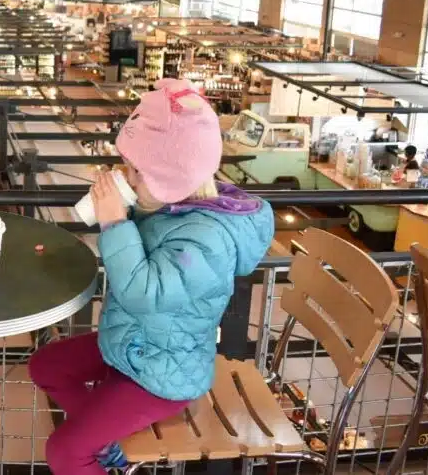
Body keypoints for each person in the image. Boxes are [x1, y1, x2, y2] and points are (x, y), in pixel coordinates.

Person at [28, 78, 273, 475]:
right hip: (134, 345)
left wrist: (113, 224)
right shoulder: (170, 208)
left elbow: (145, 292)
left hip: (163, 374)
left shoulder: (207, 238)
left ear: (169, 176)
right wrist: (121, 210)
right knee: (46, 367)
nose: (128, 175)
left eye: (136, 169)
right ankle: (106, 440)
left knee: (65, 451)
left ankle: (95, 445)